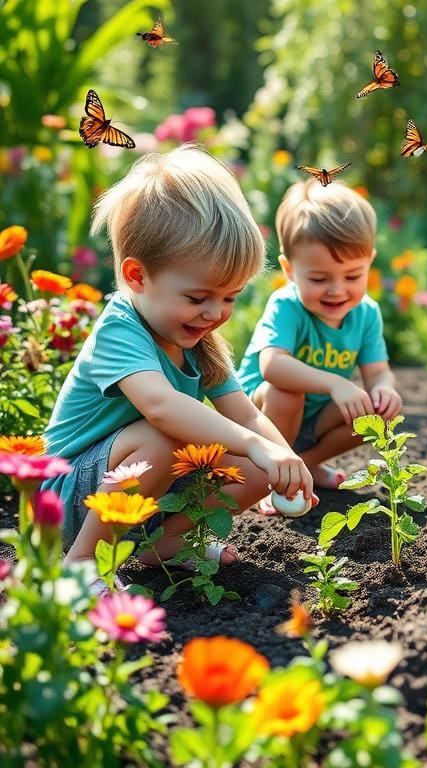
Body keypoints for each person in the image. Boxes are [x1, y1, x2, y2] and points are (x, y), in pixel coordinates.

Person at [42, 144, 314, 583]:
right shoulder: (121, 329)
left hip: (144, 493)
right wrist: (256, 444)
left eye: (230, 297)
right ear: (137, 277)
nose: (215, 313)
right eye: (197, 297)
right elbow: (162, 408)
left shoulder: (197, 338)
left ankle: (167, 544)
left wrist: (282, 456)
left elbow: (243, 413)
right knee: (167, 436)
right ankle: (83, 563)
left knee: (254, 467)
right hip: (68, 497)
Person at [236, 180, 401, 514]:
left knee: (377, 416)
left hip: (313, 421)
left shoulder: (366, 313)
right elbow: (272, 365)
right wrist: (336, 383)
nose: (337, 290)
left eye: (353, 276)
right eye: (319, 279)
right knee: (286, 391)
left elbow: (378, 372)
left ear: (369, 261)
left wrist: (385, 390)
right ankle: (269, 477)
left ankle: (301, 467)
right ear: (289, 270)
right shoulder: (286, 306)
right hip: (262, 419)